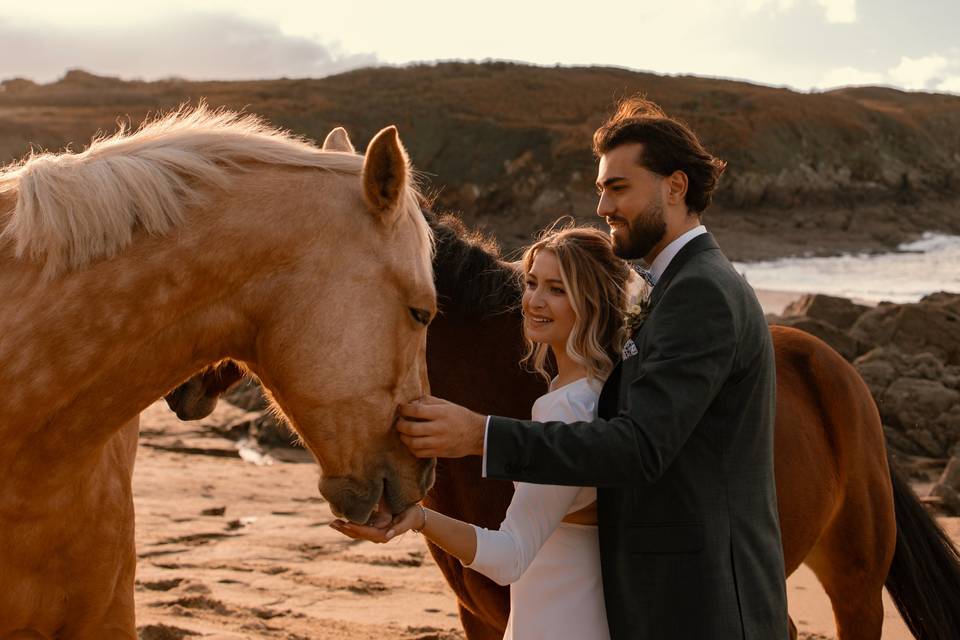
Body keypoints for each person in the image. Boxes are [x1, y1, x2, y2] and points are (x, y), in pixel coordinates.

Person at [377, 97, 790, 639]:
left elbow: (641, 446)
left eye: (618, 187)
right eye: (600, 189)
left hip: (699, 598)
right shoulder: (677, 286)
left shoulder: (701, 292)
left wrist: (483, 435)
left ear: (675, 186)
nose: (603, 206)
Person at [331, 226, 635, 640]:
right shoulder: (602, 391)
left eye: (557, 290)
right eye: (530, 283)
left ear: (591, 303)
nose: (534, 301)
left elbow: (509, 556)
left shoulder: (566, 409)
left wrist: (417, 518)